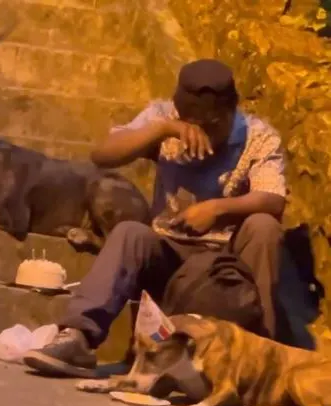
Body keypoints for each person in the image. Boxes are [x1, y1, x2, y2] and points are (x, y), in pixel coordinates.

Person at [23, 59, 286, 378]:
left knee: (264, 226)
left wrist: (217, 208)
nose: (205, 133)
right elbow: (103, 155)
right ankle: (78, 337)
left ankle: (263, 356)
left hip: (224, 266)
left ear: (232, 111)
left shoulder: (258, 136)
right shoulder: (163, 118)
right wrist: (163, 130)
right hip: (169, 253)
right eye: (195, 124)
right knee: (130, 233)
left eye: (214, 124)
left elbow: (273, 198)